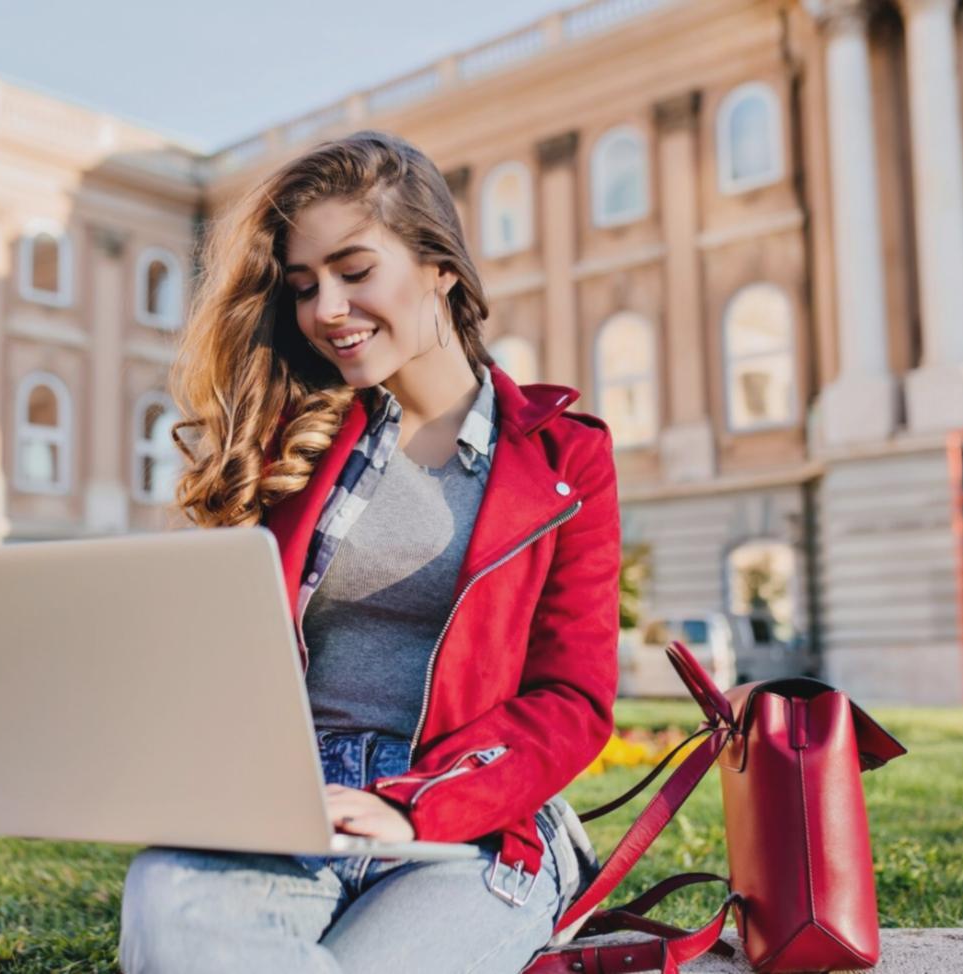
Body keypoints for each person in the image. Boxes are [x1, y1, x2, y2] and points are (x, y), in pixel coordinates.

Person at [119, 130, 619, 973]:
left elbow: (571, 699)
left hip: (468, 822)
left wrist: (415, 806)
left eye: (356, 272)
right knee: (175, 914)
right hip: (283, 810)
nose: (326, 310)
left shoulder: (564, 457)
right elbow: (213, 640)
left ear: (440, 267)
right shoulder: (285, 442)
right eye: (306, 286)